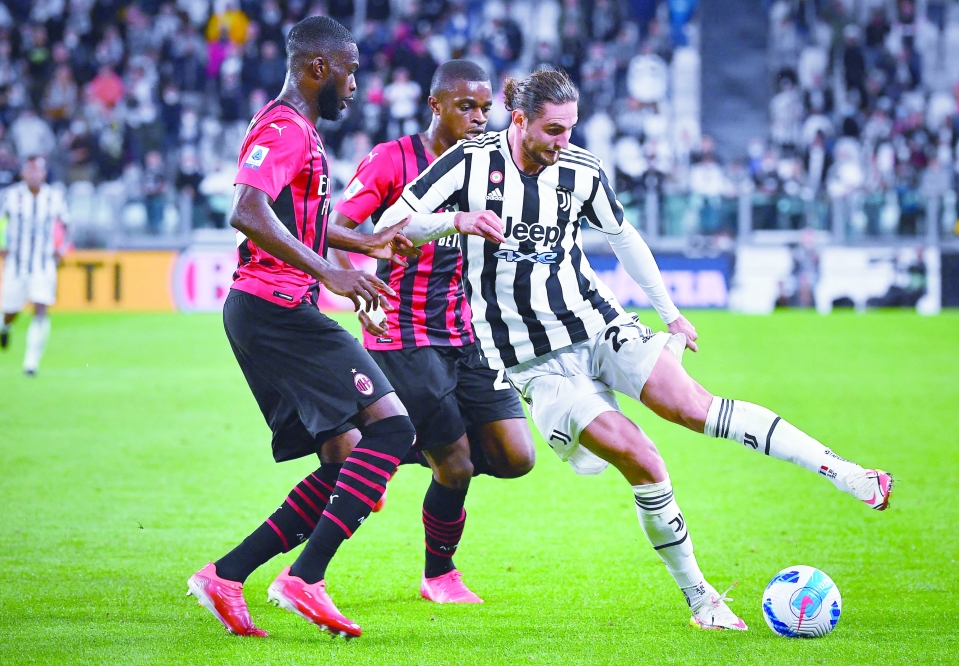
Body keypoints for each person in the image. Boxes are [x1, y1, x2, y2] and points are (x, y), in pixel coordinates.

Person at [375, 68, 894, 631]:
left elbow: (623, 236)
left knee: (697, 408)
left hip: (598, 324)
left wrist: (669, 312)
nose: (563, 142)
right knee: (643, 458)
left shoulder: (581, 169)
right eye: (553, 130)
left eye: (571, 128)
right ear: (519, 120)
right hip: (534, 361)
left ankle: (845, 473)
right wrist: (455, 220)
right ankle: (701, 599)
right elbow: (392, 223)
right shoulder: (470, 162)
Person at [186, 16, 420, 640]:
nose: (356, 85)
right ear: (319, 67)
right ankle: (304, 578)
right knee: (393, 429)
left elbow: (300, 219)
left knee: (345, 460)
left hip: (270, 310)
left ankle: (226, 575)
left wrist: (365, 243)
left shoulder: (295, 128)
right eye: (350, 71)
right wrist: (330, 273)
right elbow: (247, 210)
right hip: (277, 309)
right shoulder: (286, 129)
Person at [329, 59, 534, 604]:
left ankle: (375, 451)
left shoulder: (491, 167)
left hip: (467, 332)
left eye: (485, 108)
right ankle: (439, 575)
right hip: (403, 333)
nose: (479, 118)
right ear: (435, 105)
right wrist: (357, 291)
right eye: (467, 106)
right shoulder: (391, 159)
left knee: (515, 456)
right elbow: (338, 229)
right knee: (456, 464)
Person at [0, 156, 69, 375]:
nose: (34, 175)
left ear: (44, 173)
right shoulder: (11, 196)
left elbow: (66, 226)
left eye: (38, 171)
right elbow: (1, 222)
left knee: (40, 307)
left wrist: (61, 249)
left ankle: (31, 363)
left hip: (43, 263)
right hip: (16, 263)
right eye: (30, 171)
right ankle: (5, 326)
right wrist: (2, 244)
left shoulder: (54, 197)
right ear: (23, 174)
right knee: (11, 311)